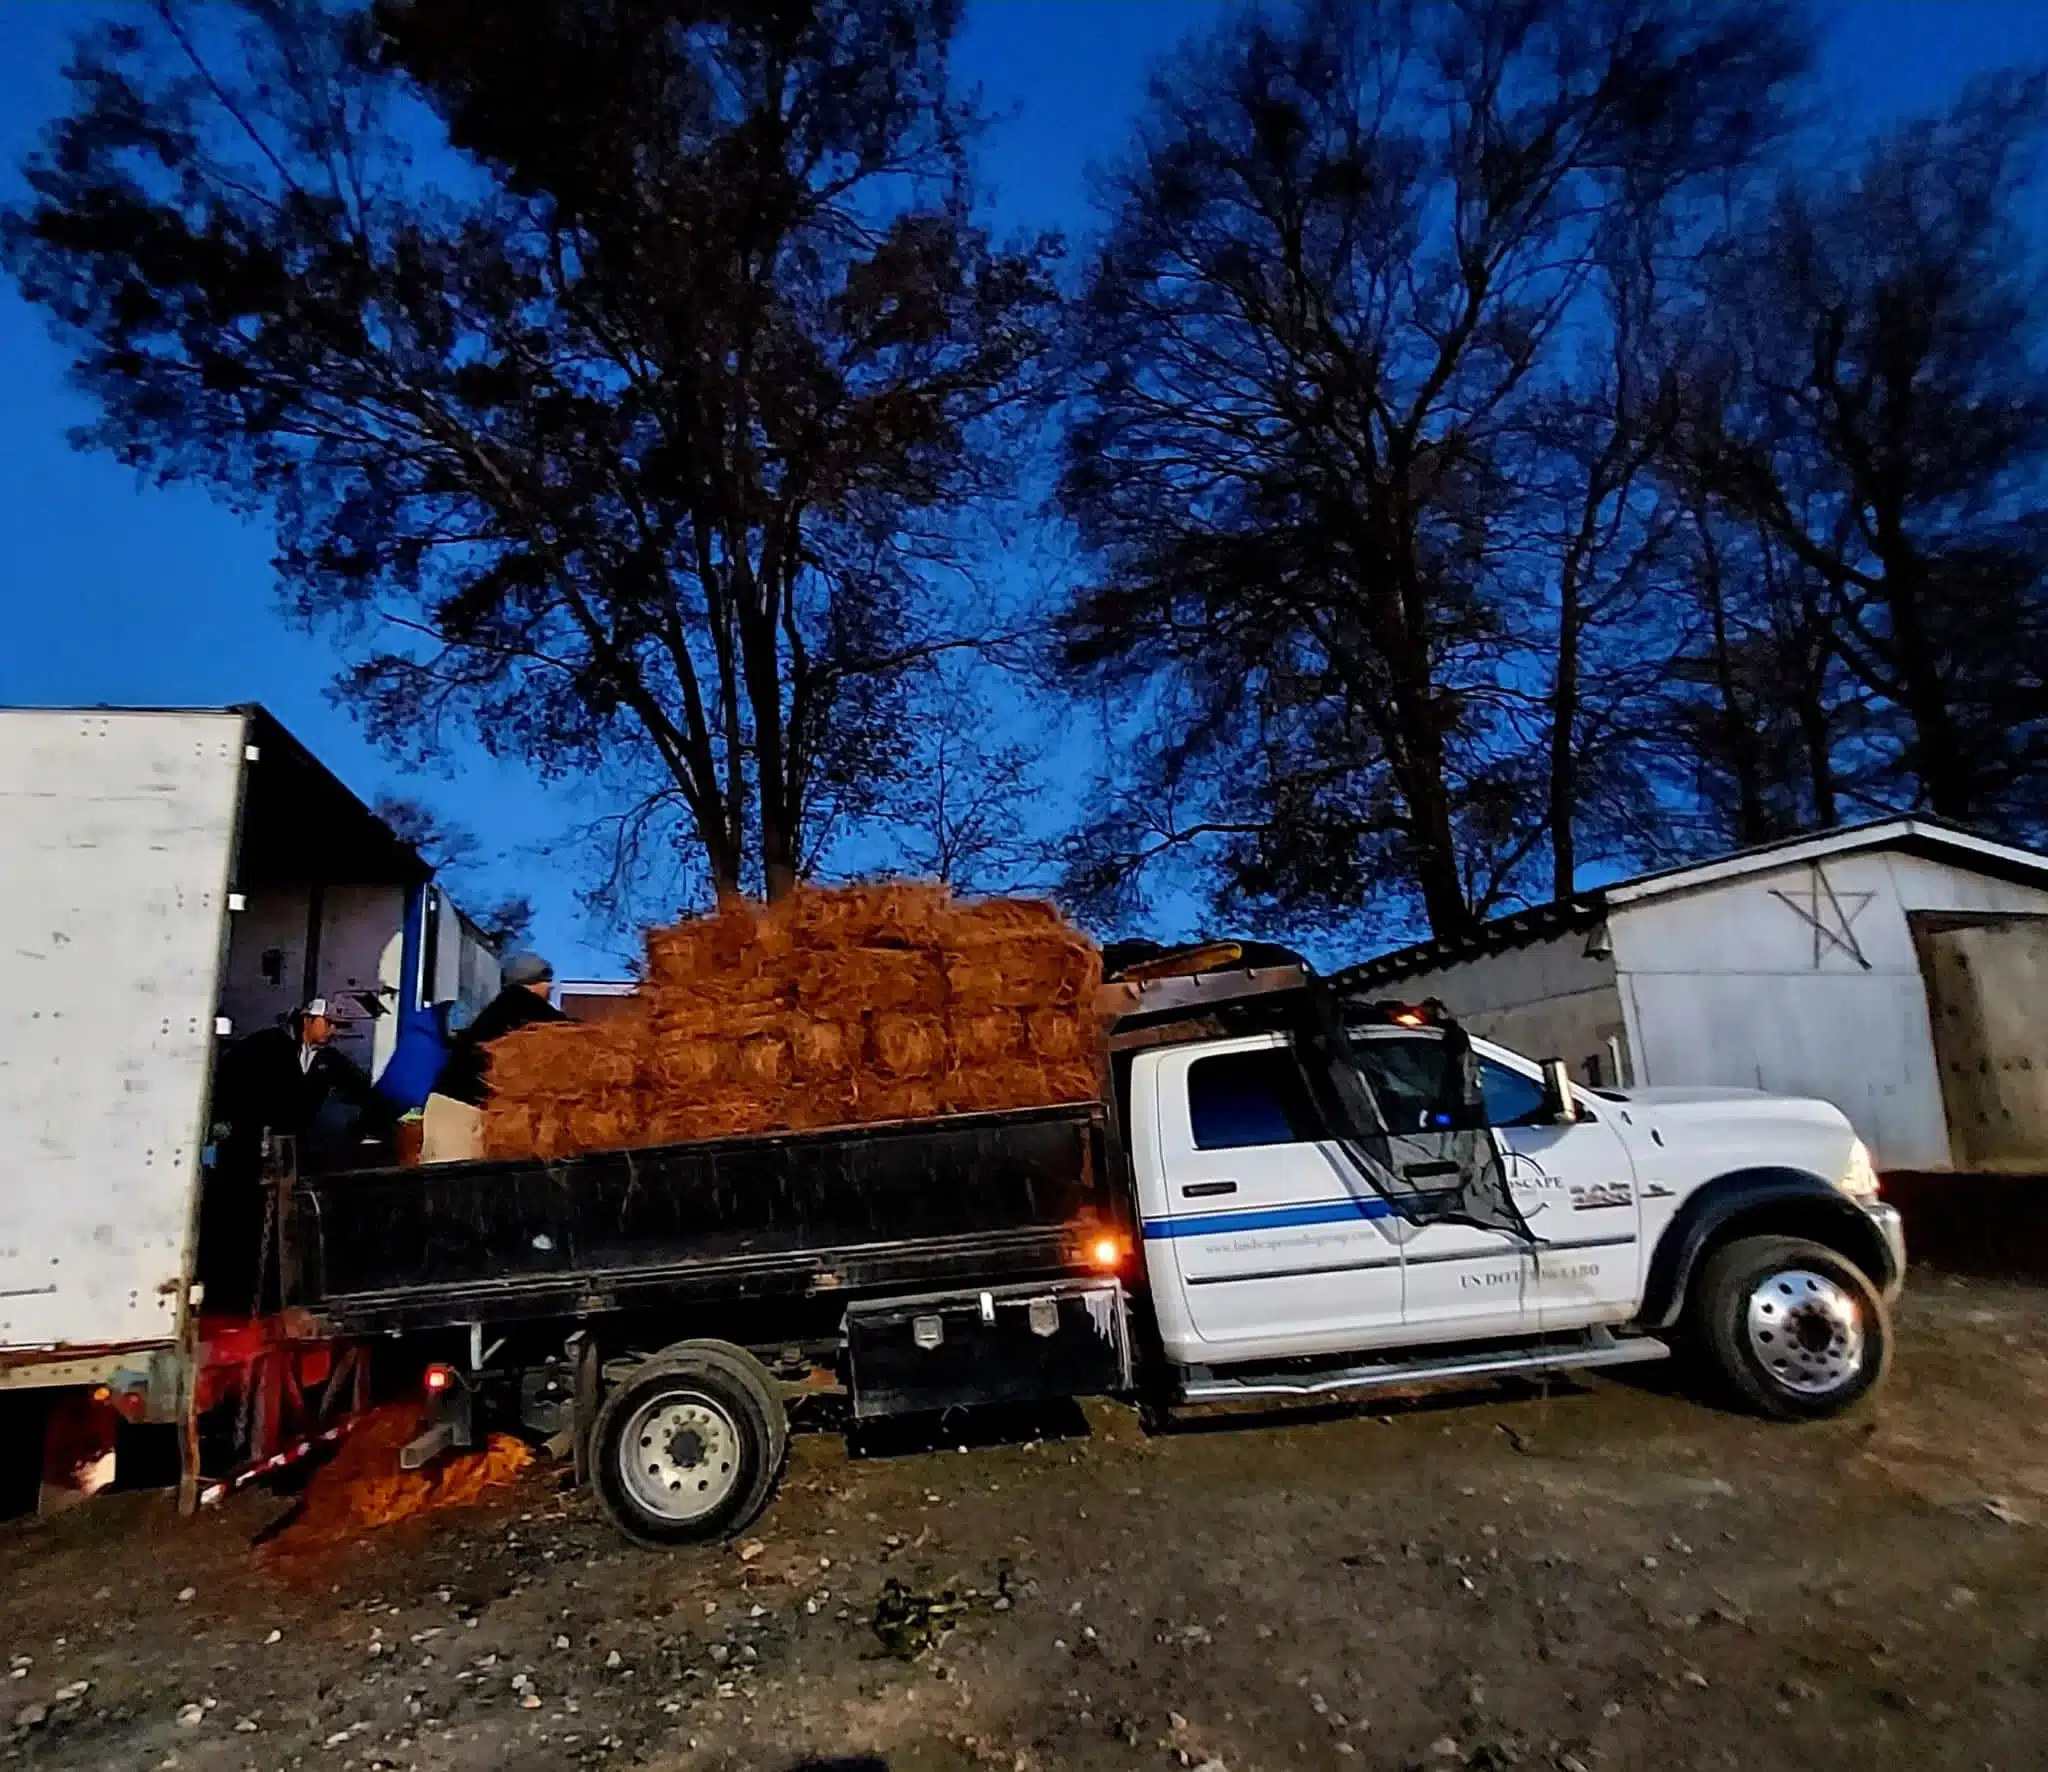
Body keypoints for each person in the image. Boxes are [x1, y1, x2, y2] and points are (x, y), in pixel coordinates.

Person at [435, 952, 567, 1105]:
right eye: (546, 980)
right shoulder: (525, 1005)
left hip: (450, 1099)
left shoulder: (497, 1010)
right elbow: (569, 1030)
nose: (551, 986)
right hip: (474, 1104)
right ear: (530, 981)